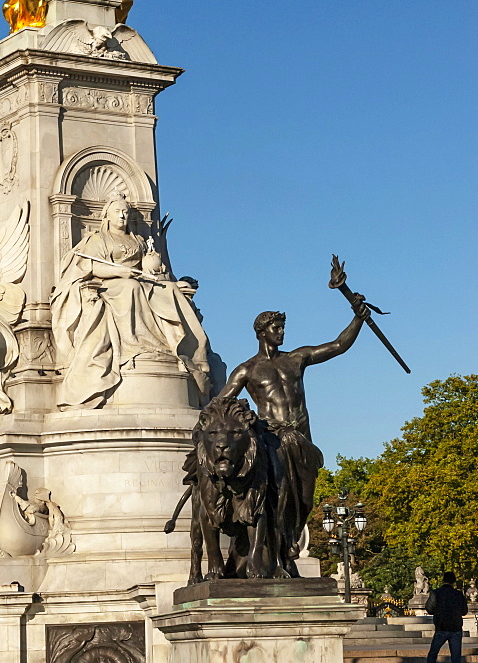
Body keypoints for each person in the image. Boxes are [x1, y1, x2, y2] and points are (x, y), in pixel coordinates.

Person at [218, 301, 369, 576]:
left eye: (282, 327)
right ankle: (281, 556)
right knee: (277, 499)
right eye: (276, 327)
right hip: (271, 439)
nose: (281, 332)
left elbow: (337, 346)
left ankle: (289, 545)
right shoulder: (247, 370)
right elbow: (220, 405)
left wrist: (357, 320)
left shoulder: (296, 358)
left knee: (304, 501)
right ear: (261, 332)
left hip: (301, 439)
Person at [51, 193, 210, 408]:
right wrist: (120, 273)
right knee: (131, 288)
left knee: (171, 290)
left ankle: (181, 350)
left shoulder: (138, 240)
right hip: (110, 283)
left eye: (125, 212)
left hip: (140, 280)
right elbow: (93, 267)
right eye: (118, 212)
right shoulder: (98, 239)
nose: (122, 216)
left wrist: (154, 266)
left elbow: (150, 266)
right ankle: (135, 346)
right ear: (107, 215)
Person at [425, 571, 468, 663]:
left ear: (443, 580)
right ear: (454, 582)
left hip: (441, 627)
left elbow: (429, 608)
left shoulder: (436, 593)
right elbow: (464, 611)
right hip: (456, 628)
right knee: (456, 657)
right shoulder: (459, 594)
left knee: (433, 654)